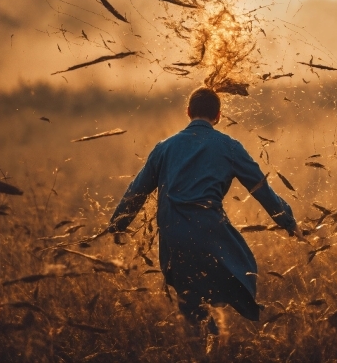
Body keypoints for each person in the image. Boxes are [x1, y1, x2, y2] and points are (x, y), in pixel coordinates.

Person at [108, 87, 304, 334]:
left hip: (173, 234)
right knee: (237, 271)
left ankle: (205, 341)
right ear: (219, 116)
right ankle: (220, 334)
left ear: (188, 112)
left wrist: (118, 224)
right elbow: (260, 188)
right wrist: (288, 221)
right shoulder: (230, 147)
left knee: (191, 303)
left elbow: (137, 190)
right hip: (211, 231)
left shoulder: (164, 147)